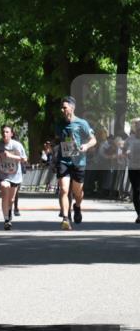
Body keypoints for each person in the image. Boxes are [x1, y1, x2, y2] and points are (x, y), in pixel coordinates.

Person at [54, 96, 97, 230]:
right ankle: (66, 218)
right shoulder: (59, 124)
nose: (62, 110)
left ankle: (77, 207)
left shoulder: (82, 123)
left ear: (72, 108)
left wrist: (86, 146)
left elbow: (93, 140)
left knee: (77, 192)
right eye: (61, 107)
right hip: (64, 160)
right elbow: (58, 140)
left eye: (64, 107)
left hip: (78, 161)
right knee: (64, 189)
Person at [0, 125, 27, 230]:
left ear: (11, 134)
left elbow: (24, 159)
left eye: (7, 132)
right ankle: (6, 220)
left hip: (15, 175)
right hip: (3, 174)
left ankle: (9, 211)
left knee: (11, 199)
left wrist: (11, 156)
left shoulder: (17, 145)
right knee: (4, 190)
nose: (4, 134)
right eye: (3, 132)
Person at [127, 119, 140, 223]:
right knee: (136, 190)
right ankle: (139, 214)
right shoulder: (130, 139)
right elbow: (123, 148)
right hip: (133, 168)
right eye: (137, 126)